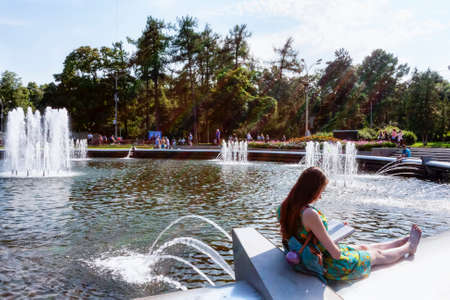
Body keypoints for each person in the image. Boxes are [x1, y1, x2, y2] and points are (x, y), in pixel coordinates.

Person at [277, 167, 422, 281]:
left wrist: (329, 230)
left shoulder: (284, 206)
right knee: (375, 255)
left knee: (363, 247)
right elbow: (336, 254)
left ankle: (401, 241)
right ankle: (408, 248)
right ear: (312, 190)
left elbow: (301, 234)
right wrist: (334, 236)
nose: (320, 196)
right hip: (326, 264)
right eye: (321, 191)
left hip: (304, 256)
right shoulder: (309, 214)